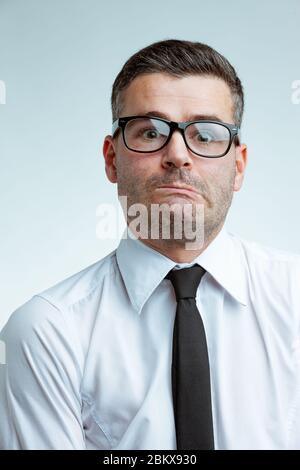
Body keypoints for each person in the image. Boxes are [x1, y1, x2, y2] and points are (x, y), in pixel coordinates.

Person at [1, 38, 300, 451]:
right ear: (111, 158)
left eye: (207, 135)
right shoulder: (47, 331)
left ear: (239, 166)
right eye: (150, 131)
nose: (177, 154)